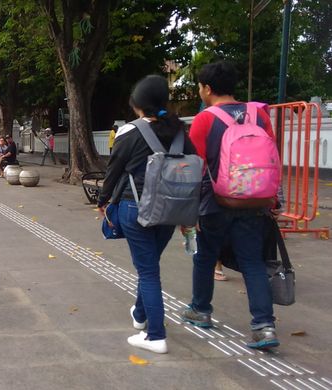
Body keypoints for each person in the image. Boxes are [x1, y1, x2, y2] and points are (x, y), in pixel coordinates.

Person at [180, 61, 279, 350]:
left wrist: (189, 210)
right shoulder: (259, 113)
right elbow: (272, 158)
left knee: (205, 257)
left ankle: (200, 309)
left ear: (207, 88)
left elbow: (195, 167)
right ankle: (264, 327)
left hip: (215, 202)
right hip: (256, 200)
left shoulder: (205, 119)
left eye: (200, 87)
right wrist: (274, 200)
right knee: (252, 262)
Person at [97, 75, 196, 354]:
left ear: (137, 104)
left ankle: (156, 336)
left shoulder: (130, 131)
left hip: (135, 208)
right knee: (150, 265)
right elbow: (194, 164)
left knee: (148, 271)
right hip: (171, 209)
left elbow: (113, 169)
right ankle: (140, 315)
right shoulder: (180, 132)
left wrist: (103, 200)